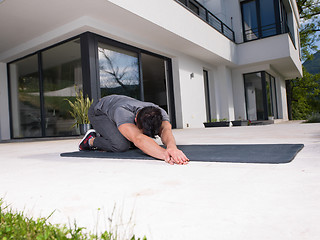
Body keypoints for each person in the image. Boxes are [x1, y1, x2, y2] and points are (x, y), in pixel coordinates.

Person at [79, 95, 189, 165]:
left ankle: (112, 133)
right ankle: (90, 140)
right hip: (99, 111)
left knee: (135, 139)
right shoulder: (123, 113)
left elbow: (166, 131)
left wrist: (172, 148)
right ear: (135, 119)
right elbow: (138, 138)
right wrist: (165, 155)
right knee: (120, 145)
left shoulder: (159, 112)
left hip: (115, 107)